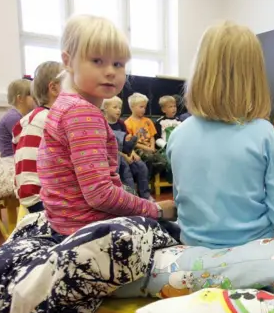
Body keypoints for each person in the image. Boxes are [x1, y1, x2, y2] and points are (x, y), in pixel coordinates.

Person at [166, 21, 274, 249]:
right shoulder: (264, 134)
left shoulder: (178, 135)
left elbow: (184, 206)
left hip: (192, 262)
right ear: (254, 77)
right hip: (251, 260)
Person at [37, 14, 176, 236]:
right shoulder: (82, 112)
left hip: (65, 222)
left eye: (118, 63)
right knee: (175, 233)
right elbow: (100, 194)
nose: (111, 71)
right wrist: (157, 209)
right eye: (97, 61)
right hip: (87, 229)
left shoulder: (65, 103)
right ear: (67, 61)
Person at [12, 61, 63, 213]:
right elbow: (26, 168)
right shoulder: (39, 121)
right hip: (41, 206)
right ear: (54, 88)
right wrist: (37, 206)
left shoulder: (54, 118)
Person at [102, 96, 152, 200]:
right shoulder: (102, 123)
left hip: (125, 152)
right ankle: (131, 198)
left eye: (120, 108)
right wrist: (125, 156)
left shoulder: (121, 123)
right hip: (112, 155)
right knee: (126, 170)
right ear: (105, 108)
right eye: (115, 107)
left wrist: (133, 153)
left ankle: (145, 196)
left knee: (141, 166)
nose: (118, 110)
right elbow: (108, 148)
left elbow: (125, 142)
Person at [125, 92, 167, 178]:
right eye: (141, 107)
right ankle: (145, 180)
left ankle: (148, 177)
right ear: (132, 107)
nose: (144, 109)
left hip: (150, 148)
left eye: (145, 107)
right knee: (149, 158)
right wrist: (147, 148)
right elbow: (132, 142)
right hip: (138, 149)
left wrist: (152, 147)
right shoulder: (127, 123)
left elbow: (152, 136)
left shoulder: (148, 121)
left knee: (163, 161)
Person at [0, 78, 34, 157]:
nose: (36, 98)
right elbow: (26, 143)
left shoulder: (19, 116)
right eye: (32, 95)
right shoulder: (13, 117)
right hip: (11, 160)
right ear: (20, 98)